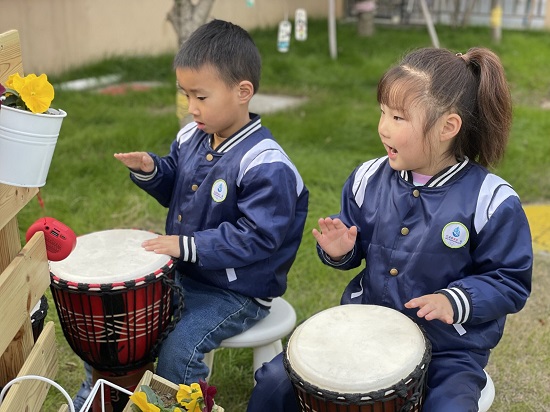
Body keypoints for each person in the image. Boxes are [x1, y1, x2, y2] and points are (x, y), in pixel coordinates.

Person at [247, 47, 532, 412]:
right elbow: (355, 248)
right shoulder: (367, 178)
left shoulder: (490, 199)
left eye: (398, 117)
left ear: (448, 126)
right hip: (366, 328)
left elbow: (510, 280)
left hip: (450, 349)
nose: (383, 127)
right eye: (383, 112)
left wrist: (455, 300)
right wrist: (341, 251)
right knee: (274, 383)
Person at [113, 19, 309, 386]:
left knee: (180, 346)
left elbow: (258, 238)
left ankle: (177, 406)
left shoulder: (266, 164)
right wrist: (153, 169)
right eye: (185, 95)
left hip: (238, 291)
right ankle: (108, 395)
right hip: (187, 273)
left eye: (200, 97)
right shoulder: (192, 136)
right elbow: (179, 185)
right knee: (131, 319)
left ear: (243, 91)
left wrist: (186, 246)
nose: (191, 108)